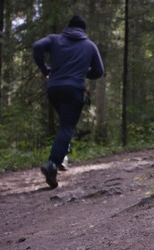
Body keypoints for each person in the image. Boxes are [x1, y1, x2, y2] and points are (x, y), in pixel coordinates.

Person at [32, 15, 104, 188]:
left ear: (68, 26)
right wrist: (81, 71)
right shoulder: (89, 45)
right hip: (74, 90)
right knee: (67, 127)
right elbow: (99, 71)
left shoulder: (55, 39)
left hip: (54, 88)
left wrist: (44, 69)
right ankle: (53, 163)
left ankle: (63, 151)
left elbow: (37, 47)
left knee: (65, 125)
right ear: (83, 30)